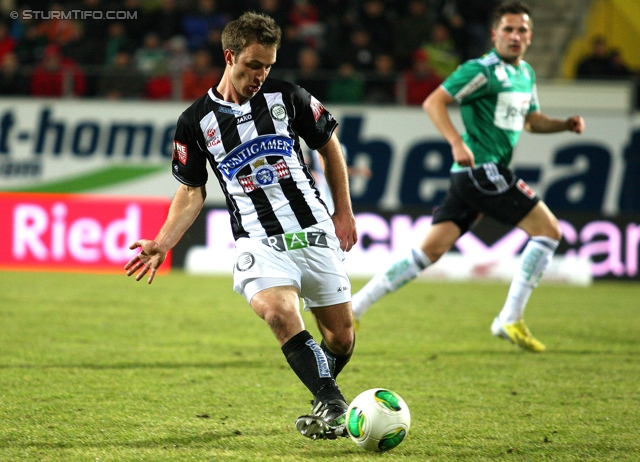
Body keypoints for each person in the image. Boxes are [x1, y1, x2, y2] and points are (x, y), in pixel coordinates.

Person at [125, 11, 358, 440]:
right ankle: (334, 403)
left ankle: (323, 398)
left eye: (268, 65)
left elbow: (331, 147)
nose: (261, 74)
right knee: (277, 312)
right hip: (259, 240)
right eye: (254, 65)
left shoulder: (288, 97)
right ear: (229, 57)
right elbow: (192, 191)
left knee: (341, 338)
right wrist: (162, 242)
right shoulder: (195, 122)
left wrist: (343, 211)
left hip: (313, 231)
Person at [351, 1, 585, 353]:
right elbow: (434, 102)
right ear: (495, 34)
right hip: (482, 170)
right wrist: (457, 142)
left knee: (429, 250)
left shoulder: (526, 75)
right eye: (508, 29)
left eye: (522, 30)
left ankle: (354, 307)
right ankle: (509, 317)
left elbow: (533, 122)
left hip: (473, 177)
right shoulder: (481, 70)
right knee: (549, 231)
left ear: (530, 36)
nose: (515, 36)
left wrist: (564, 124)